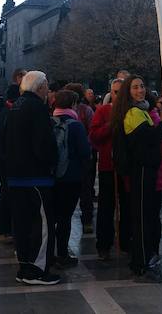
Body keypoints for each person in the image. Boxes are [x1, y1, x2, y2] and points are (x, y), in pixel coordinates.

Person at [4, 70, 61, 285]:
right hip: (35, 176)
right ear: (40, 87)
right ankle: (36, 270)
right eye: (46, 85)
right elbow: (43, 144)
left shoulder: (16, 106)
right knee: (42, 224)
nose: (48, 89)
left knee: (22, 224)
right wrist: (52, 162)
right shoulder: (37, 107)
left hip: (16, 175)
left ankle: (25, 266)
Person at [112, 75, 162, 282]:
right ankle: (141, 262)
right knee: (143, 217)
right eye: (135, 87)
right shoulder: (134, 113)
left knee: (148, 215)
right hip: (141, 170)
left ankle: (144, 257)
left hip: (147, 170)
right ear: (128, 91)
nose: (140, 90)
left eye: (142, 86)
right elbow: (148, 139)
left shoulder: (141, 110)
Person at [89, 78, 130, 261]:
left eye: (120, 92)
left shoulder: (134, 111)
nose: (117, 95)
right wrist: (110, 125)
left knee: (127, 206)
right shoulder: (103, 110)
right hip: (108, 167)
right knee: (106, 208)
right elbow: (94, 136)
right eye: (114, 92)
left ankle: (126, 241)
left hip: (129, 167)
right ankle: (103, 244)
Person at [51, 89, 92, 268]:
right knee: (65, 217)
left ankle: (49, 253)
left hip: (51, 176)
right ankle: (62, 254)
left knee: (52, 216)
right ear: (73, 104)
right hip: (71, 176)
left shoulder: (48, 122)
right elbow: (85, 152)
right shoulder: (75, 125)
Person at [0, 69, 26, 244]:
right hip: (8, 158)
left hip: (4, 157)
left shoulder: (2, 110)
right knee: (7, 194)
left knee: (6, 194)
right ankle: (4, 230)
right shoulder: (8, 111)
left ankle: (5, 229)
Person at [65, 82, 97, 235]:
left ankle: (87, 219)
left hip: (81, 156)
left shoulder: (86, 110)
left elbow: (92, 131)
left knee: (85, 190)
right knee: (84, 189)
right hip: (73, 156)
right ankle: (85, 219)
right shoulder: (82, 110)